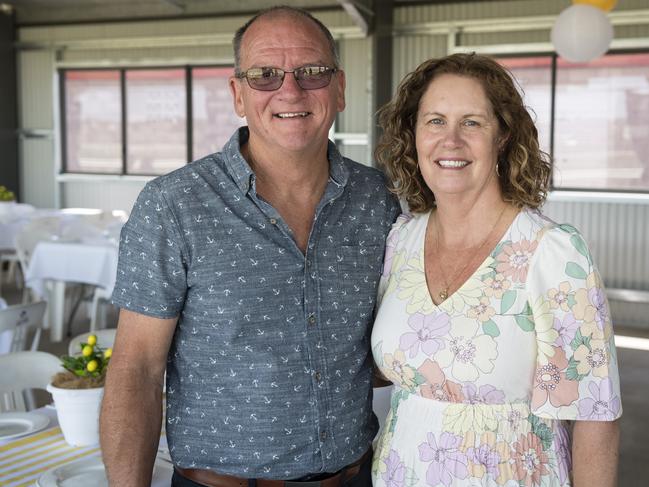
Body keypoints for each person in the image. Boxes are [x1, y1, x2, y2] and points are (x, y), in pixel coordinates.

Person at [100, 6, 400, 487]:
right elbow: (136, 368)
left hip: (354, 477)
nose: (290, 90)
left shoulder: (378, 201)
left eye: (312, 72)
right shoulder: (174, 205)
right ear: (238, 94)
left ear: (339, 88)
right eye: (264, 75)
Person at [370, 53, 621, 487]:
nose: (451, 140)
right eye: (434, 121)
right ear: (413, 135)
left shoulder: (553, 251)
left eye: (472, 122)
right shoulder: (402, 239)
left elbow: (594, 417)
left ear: (502, 136)